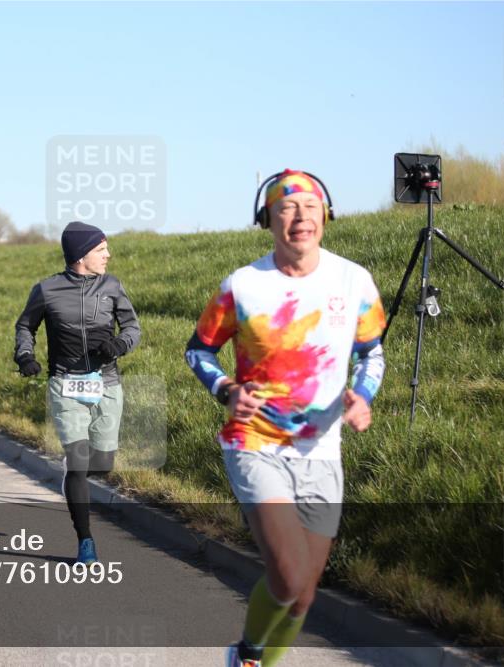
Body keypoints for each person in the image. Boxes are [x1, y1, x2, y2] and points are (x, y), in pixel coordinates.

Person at [184, 170, 386, 667]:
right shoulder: (244, 286)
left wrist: (361, 396)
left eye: (310, 208)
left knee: (303, 596)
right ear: (268, 220)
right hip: (255, 443)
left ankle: (255, 660)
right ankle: (248, 654)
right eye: (287, 209)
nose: (300, 218)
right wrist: (226, 389)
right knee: (289, 575)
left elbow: (372, 355)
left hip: (321, 451)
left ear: (326, 215)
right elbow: (199, 352)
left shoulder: (353, 280)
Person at [14, 221, 141, 565]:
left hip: (106, 382)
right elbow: (26, 324)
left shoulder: (112, 286)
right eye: (101, 250)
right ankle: (85, 541)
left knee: (103, 462)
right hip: (65, 383)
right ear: (81, 255)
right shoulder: (47, 289)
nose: (108, 255)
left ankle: (76, 476)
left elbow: (132, 327)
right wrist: (25, 354)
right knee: (80, 464)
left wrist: (119, 344)